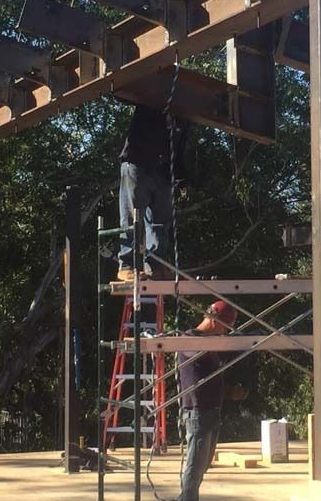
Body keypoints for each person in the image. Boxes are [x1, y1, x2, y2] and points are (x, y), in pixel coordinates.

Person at [117, 104, 188, 282]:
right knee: (133, 216)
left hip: (163, 171)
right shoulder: (151, 98)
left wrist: (181, 178)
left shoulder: (185, 113)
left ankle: (155, 265)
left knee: (160, 221)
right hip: (137, 163)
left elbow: (181, 146)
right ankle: (126, 265)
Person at [177, 300, 237, 501]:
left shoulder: (210, 342)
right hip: (197, 411)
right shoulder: (189, 339)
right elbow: (196, 354)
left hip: (211, 410)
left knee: (202, 465)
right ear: (214, 320)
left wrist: (227, 391)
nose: (224, 334)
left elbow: (205, 376)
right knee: (194, 466)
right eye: (224, 328)